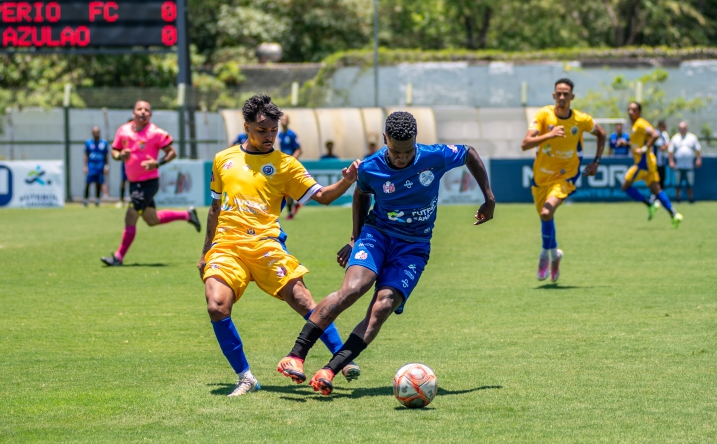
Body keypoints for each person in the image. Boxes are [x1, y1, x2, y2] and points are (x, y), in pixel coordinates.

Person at [277, 111, 495, 395]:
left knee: (383, 305)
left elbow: (470, 153)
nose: (402, 158)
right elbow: (361, 194)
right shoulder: (370, 166)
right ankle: (295, 355)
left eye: (407, 152)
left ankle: (329, 369)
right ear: (384, 141)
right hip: (376, 235)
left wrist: (488, 197)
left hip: (414, 247)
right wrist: (355, 238)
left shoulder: (435, 156)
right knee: (353, 289)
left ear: (417, 141)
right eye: (395, 151)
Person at [199, 95, 362, 397]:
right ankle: (246, 377)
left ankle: (342, 357)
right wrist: (205, 251)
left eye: (273, 130)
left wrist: (348, 180)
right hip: (227, 246)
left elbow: (324, 196)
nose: (269, 136)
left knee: (302, 299)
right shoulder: (224, 159)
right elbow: (215, 208)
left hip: (265, 244)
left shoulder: (285, 165)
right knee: (216, 306)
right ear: (246, 127)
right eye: (262, 130)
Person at [520, 78, 606, 282]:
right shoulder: (543, 114)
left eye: (565, 94)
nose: (561, 97)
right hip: (541, 177)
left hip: (566, 175)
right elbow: (525, 144)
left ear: (572, 97)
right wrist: (548, 136)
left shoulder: (581, 120)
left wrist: (596, 162)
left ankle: (544, 255)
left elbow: (602, 134)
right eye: (558, 93)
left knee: (546, 211)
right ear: (553, 95)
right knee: (545, 217)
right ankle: (555, 254)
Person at [101, 101, 201, 266]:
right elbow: (114, 151)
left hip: (148, 183)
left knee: (131, 216)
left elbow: (172, 153)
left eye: (147, 110)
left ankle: (118, 257)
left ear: (150, 115)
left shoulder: (155, 133)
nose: (143, 112)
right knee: (152, 219)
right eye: (139, 109)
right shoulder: (123, 130)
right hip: (134, 183)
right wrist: (120, 156)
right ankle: (187, 215)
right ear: (134, 112)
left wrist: (156, 164)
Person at [620, 102, 683, 228]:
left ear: (639, 112)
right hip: (649, 163)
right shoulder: (634, 127)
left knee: (625, 186)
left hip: (643, 164)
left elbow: (655, 134)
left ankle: (650, 204)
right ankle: (674, 215)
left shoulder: (641, 123)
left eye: (633, 110)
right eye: (629, 109)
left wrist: (644, 149)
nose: (630, 112)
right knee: (657, 190)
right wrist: (626, 144)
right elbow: (637, 144)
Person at [277, 114, 304, 219]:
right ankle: (293, 208)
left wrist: (292, 159)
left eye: (285, 120)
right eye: (282, 120)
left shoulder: (292, 134)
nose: (283, 122)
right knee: (287, 188)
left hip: (291, 164)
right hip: (284, 164)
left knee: (289, 187)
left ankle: (292, 210)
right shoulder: (279, 135)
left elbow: (299, 149)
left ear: (288, 122)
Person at [668, 121, 702, 203]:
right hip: (679, 165)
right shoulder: (675, 138)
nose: (682, 130)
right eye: (681, 128)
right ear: (679, 129)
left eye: (684, 128)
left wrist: (698, 159)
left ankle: (691, 199)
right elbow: (670, 151)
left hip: (689, 165)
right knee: (677, 184)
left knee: (690, 184)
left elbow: (698, 150)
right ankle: (677, 198)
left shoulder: (692, 137)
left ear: (687, 129)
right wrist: (671, 161)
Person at [84, 126, 109, 207]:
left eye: (97, 132)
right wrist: (85, 166)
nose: (96, 133)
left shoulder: (103, 143)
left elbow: (106, 155)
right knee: (88, 183)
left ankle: (97, 200)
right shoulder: (88, 143)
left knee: (98, 183)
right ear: (92, 133)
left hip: (100, 166)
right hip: (91, 166)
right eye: (94, 132)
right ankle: (86, 200)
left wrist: (106, 166)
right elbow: (86, 155)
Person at [117, 117, 133, 208]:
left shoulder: (139, 136)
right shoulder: (123, 136)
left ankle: (133, 200)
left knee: (133, 182)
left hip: (135, 164)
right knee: (123, 181)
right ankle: (122, 200)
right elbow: (116, 150)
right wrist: (121, 155)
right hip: (125, 163)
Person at [654, 120, 670, 189]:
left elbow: (668, 144)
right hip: (655, 162)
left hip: (662, 161)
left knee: (662, 178)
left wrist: (665, 146)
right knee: (656, 179)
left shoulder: (665, 134)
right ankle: (655, 195)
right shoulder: (655, 134)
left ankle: (660, 195)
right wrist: (665, 146)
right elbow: (662, 147)